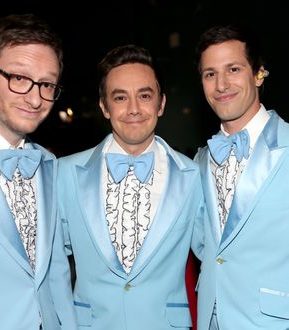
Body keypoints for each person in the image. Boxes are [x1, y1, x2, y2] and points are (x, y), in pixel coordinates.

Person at [57, 44, 204, 330]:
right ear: (104, 106)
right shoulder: (65, 173)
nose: (134, 109)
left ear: (160, 104)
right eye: (120, 97)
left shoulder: (193, 175)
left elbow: (216, 258)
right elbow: (51, 266)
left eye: (145, 96)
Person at [0, 14, 76, 330]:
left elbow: (56, 276)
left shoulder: (50, 167)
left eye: (47, 84)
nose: (36, 98)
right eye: (20, 79)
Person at [192, 24, 289, 329]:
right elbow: (204, 245)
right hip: (212, 318)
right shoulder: (199, 161)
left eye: (233, 69)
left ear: (259, 73)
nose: (221, 84)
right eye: (210, 74)